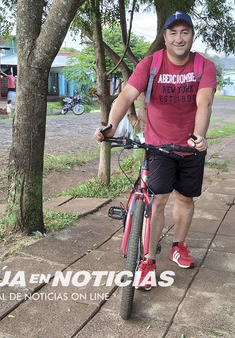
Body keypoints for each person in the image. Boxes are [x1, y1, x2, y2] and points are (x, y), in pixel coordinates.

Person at [94, 10, 216, 290]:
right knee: (158, 200)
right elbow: (126, 95)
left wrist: (199, 135)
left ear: (192, 36)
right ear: (165, 38)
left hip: (190, 145)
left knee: (185, 200)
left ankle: (179, 246)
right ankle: (148, 261)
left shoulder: (204, 66)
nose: (179, 38)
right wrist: (111, 125)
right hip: (159, 145)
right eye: (173, 33)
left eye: (184, 32)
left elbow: (204, 102)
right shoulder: (151, 64)